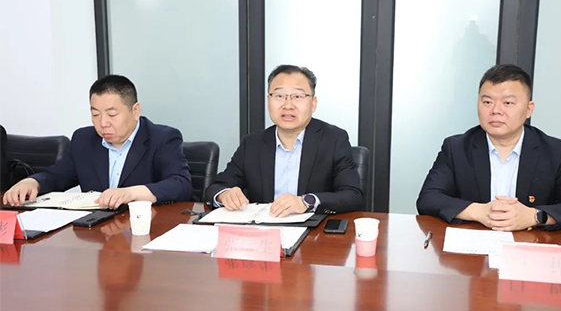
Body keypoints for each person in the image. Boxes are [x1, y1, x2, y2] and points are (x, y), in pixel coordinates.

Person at [417, 64, 561, 230]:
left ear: (528, 109)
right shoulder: (456, 148)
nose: (496, 110)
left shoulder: (556, 151)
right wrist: (479, 211)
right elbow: (428, 199)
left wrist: (534, 216)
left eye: (507, 103)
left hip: (530, 246)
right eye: (487, 102)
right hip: (474, 246)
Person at [3, 75, 192, 209]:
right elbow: (58, 176)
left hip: (145, 231)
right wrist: (32, 182)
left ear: (135, 111)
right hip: (98, 234)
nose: (103, 123)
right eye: (95, 114)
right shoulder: (84, 139)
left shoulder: (162, 138)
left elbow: (181, 184)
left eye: (112, 114)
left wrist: (131, 193)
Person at [204, 64, 363, 216]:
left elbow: (352, 195)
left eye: (298, 96)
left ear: (313, 104)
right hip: (263, 230)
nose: (288, 105)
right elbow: (216, 187)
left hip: (313, 230)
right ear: (268, 102)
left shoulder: (334, 140)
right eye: (279, 96)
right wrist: (224, 195)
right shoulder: (252, 144)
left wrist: (306, 202)